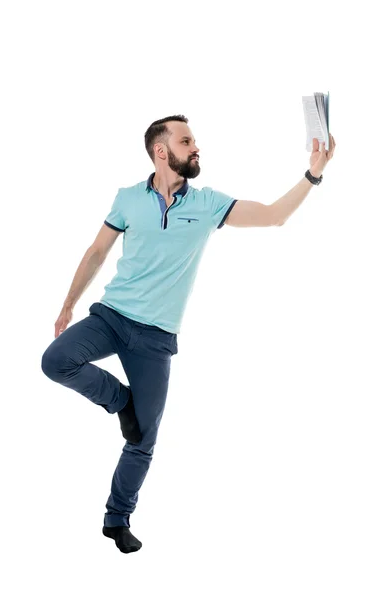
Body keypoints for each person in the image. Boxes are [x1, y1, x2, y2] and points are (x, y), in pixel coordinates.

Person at [41, 115, 336, 554]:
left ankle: (116, 519)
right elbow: (97, 252)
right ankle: (120, 402)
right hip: (111, 317)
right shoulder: (127, 198)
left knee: (143, 438)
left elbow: (273, 216)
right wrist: (68, 304)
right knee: (55, 361)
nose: (196, 147)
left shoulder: (208, 204)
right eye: (186, 140)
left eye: (195, 139)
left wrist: (314, 172)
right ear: (162, 152)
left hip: (155, 339)